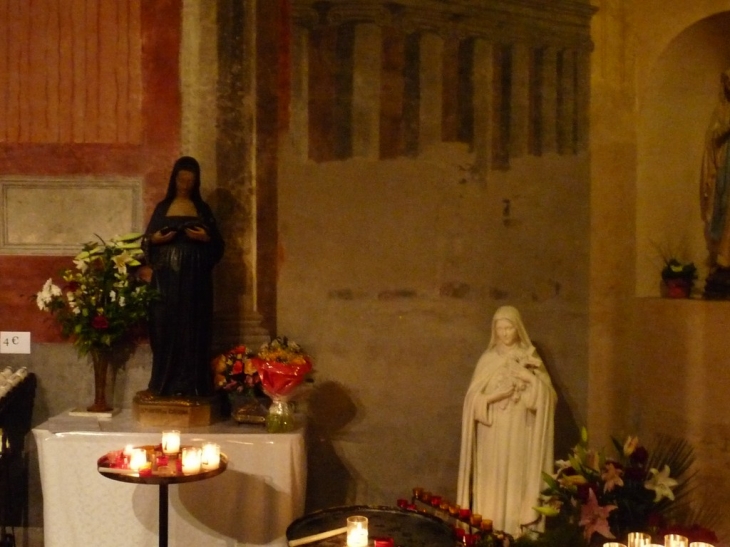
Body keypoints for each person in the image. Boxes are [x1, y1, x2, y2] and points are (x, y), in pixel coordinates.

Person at [457, 305, 556, 537]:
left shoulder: (529, 357)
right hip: (491, 434)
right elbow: (472, 400)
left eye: (508, 327)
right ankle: (490, 534)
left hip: (520, 429)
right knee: (492, 483)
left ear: (517, 328)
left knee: (516, 480)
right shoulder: (488, 359)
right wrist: (496, 396)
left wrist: (529, 379)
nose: (504, 333)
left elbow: (547, 398)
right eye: (500, 328)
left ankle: (517, 532)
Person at [143, 156, 224, 397]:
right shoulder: (162, 208)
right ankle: (162, 383)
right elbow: (147, 241)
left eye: (191, 180)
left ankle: (192, 385)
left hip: (194, 280)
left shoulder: (203, 210)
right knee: (164, 327)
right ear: (174, 179)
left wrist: (205, 238)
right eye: (182, 179)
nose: (185, 184)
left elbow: (219, 246)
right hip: (166, 279)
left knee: (192, 328)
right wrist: (156, 240)